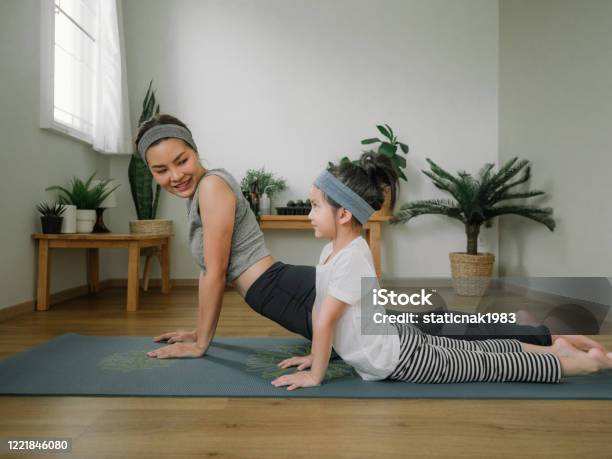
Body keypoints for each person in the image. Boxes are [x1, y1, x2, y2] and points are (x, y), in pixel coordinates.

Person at [139, 114, 605, 359]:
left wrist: (202, 343)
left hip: (287, 291)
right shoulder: (203, 189)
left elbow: (215, 272)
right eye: (160, 170)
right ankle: (525, 326)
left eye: (181, 160)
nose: (174, 174)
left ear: (195, 151)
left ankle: (544, 333)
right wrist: (198, 330)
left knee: (426, 333)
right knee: (424, 323)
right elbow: (212, 272)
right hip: (290, 287)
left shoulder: (212, 187)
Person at [271, 154, 612, 390]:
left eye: (316, 206)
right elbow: (319, 311)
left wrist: (315, 376)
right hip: (397, 340)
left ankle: (587, 364)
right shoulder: (330, 250)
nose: (310, 213)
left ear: (343, 214)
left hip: (400, 359)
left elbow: (327, 319)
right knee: (478, 353)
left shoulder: (351, 258)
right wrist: (313, 355)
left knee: (486, 366)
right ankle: (556, 351)